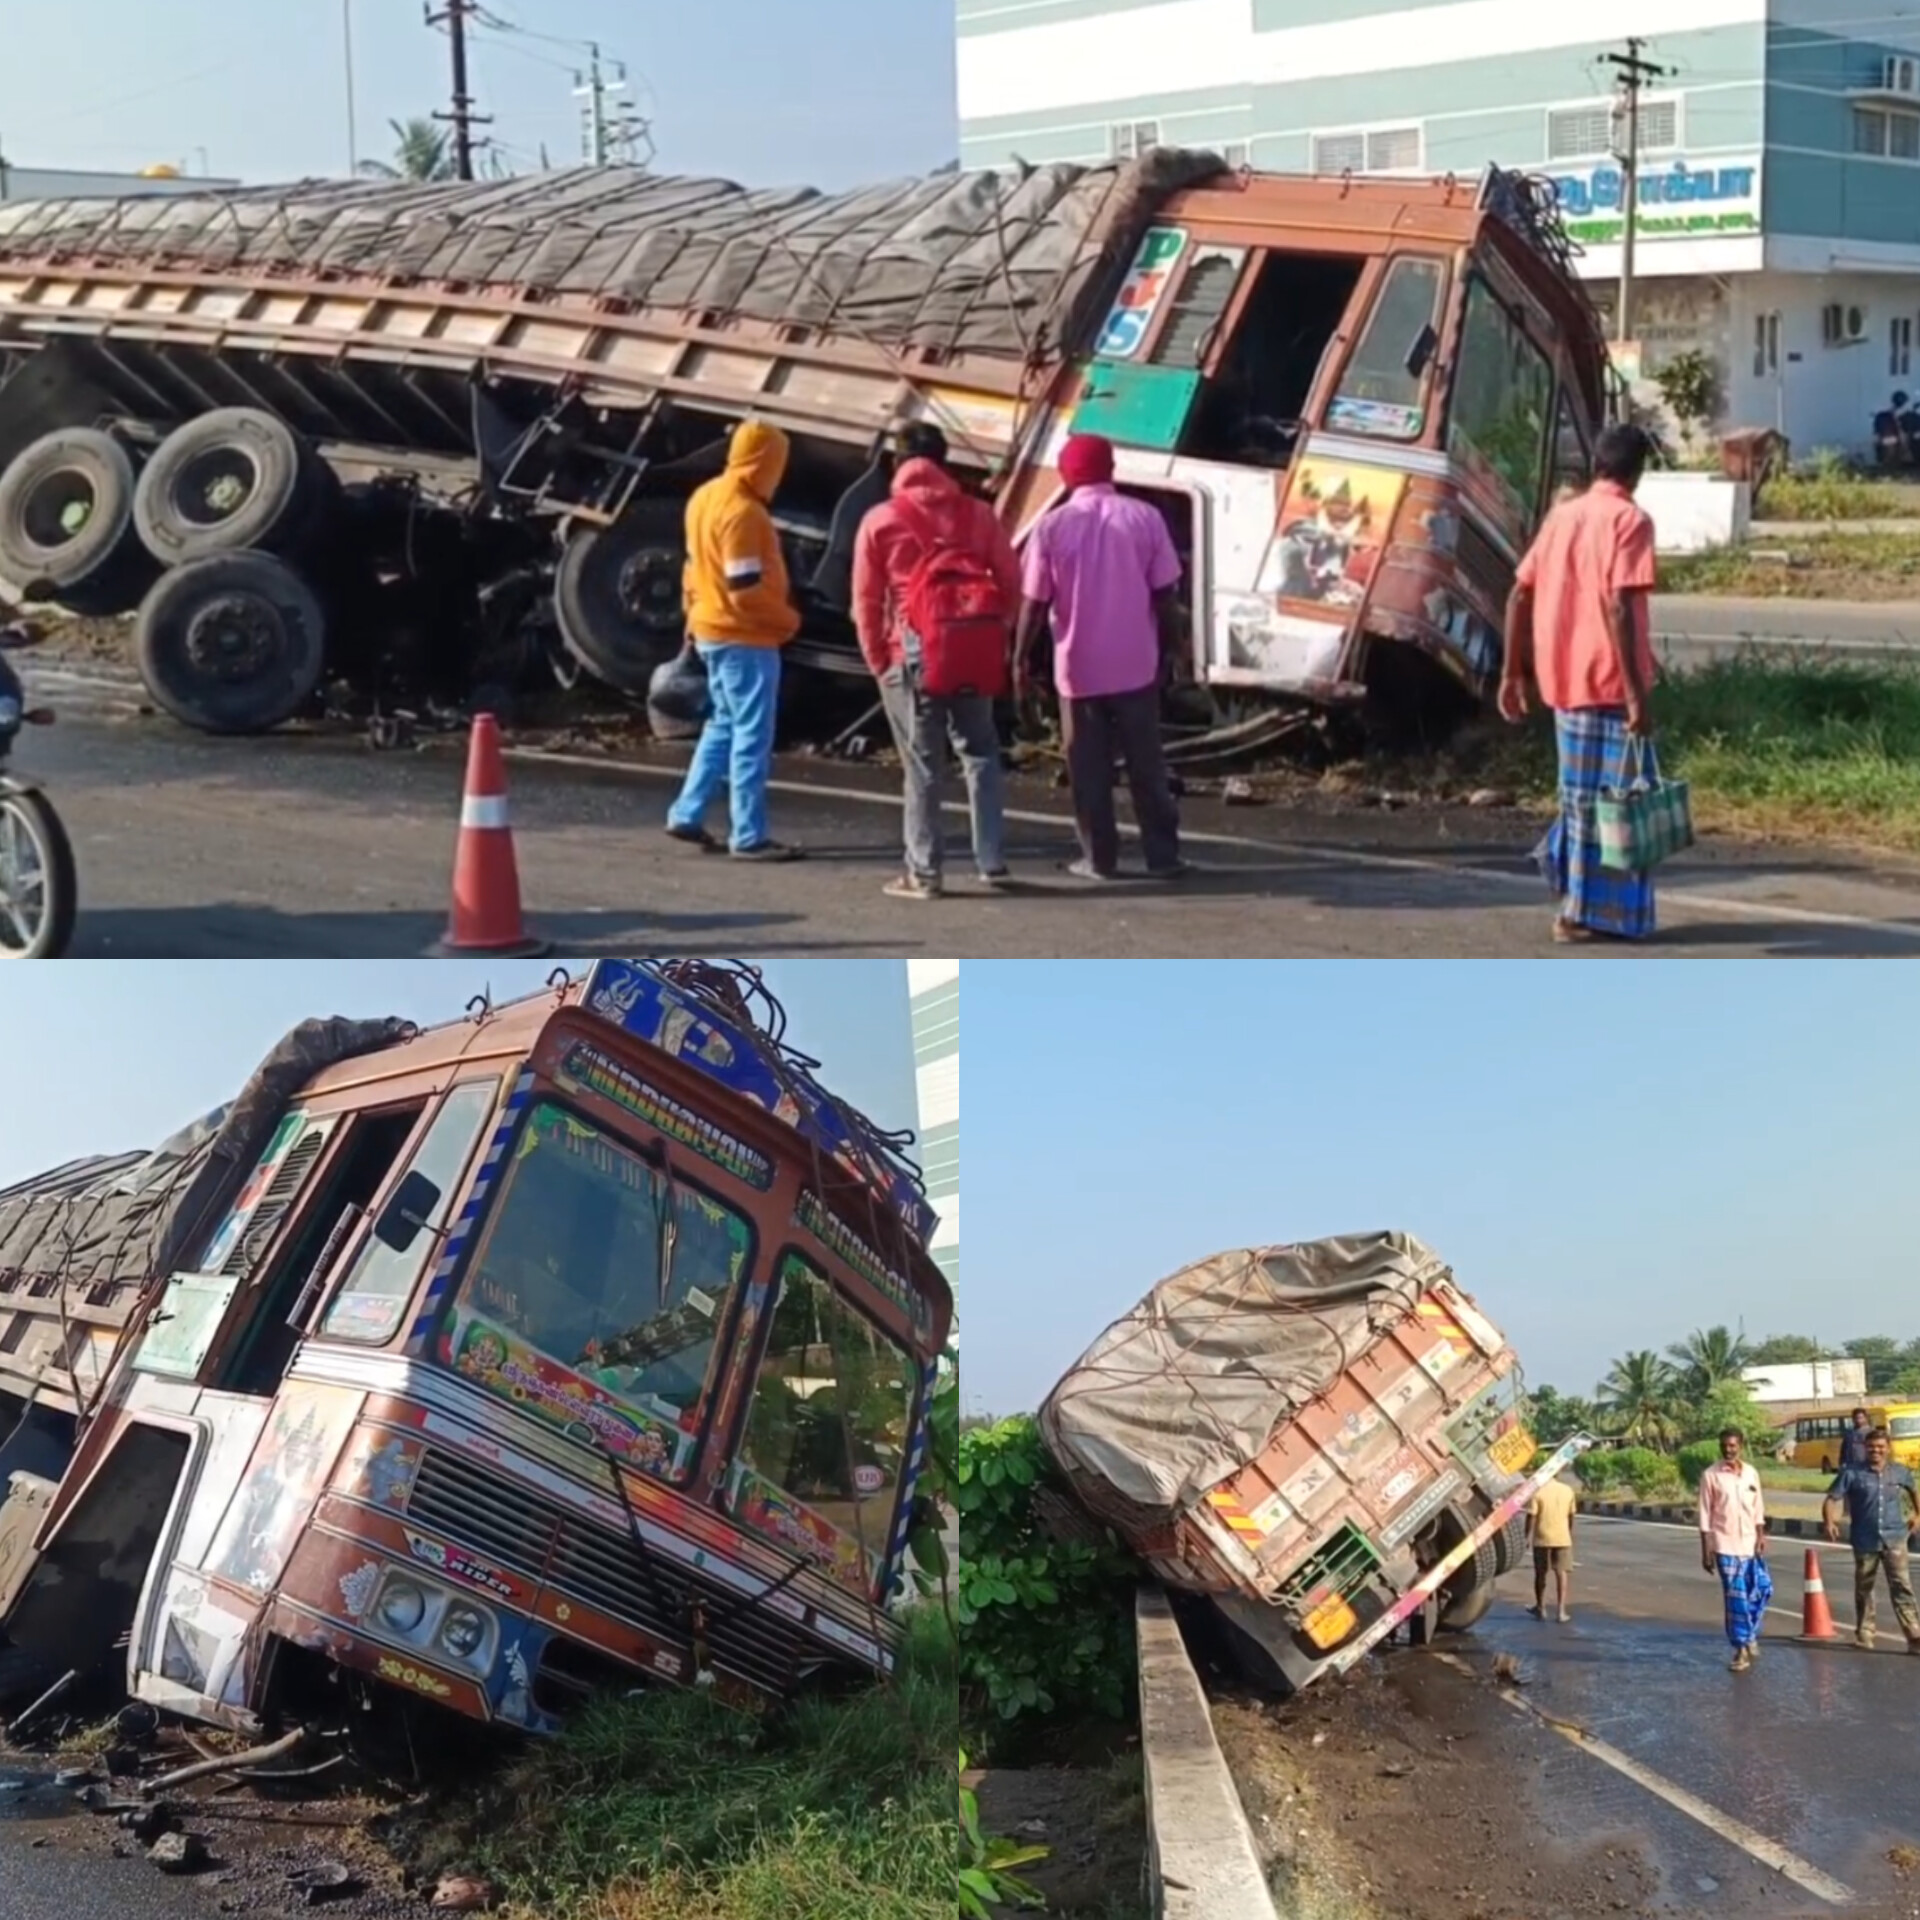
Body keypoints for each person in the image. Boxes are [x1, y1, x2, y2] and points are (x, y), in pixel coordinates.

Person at [1497, 422, 1662, 944]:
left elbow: (1518, 594)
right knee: (1619, 805)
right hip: (1611, 681)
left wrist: (1511, 672)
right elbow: (1618, 604)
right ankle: (1587, 910)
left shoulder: (1562, 518)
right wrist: (1637, 694)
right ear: (1637, 472)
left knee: (1579, 797)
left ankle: (1573, 896)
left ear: (1596, 464)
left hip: (1562, 678)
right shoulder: (1630, 520)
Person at [852, 422, 1019, 900]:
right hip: (974, 649)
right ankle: (991, 861)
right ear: (945, 462)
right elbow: (1010, 581)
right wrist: (992, 635)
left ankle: (924, 872)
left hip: (913, 654)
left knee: (923, 765)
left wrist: (878, 658)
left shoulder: (881, 520)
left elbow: (866, 598)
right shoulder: (980, 515)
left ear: (896, 464)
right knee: (981, 753)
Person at [1013, 432, 1189, 882]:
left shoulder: (1051, 527)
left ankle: (1099, 859)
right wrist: (1177, 650)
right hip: (1136, 666)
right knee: (1147, 764)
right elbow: (1165, 597)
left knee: (1088, 772)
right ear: (1110, 469)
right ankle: (1163, 856)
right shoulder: (1145, 518)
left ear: (1068, 474)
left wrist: (1018, 660)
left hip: (1078, 671)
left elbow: (1033, 603)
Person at [665, 420, 804, 862]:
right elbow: (744, 588)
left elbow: (692, 567)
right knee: (751, 735)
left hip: (710, 628)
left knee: (722, 725)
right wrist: (787, 621)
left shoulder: (706, 495)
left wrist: (692, 614)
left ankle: (686, 812)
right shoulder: (745, 513)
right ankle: (748, 835)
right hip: (745, 636)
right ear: (766, 463)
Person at [1822, 1425, 1920, 1651]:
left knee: (1902, 1587)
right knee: (1865, 1587)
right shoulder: (1852, 1472)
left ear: (1888, 1448)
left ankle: (1914, 1636)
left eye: (1880, 1447)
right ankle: (1865, 1634)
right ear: (1865, 1448)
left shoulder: (1899, 1472)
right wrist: (1829, 1522)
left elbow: (1913, 1491)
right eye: (1871, 1447)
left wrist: (1917, 1515)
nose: (1875, 1451)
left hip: (1895, 1537)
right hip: (1864, 1539)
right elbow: (1832, 1498)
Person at [1697, 1427, 1770, 1673]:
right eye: (1724, 1445)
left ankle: (1749, 1635)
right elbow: (1705, 1514)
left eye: (1733, 1445)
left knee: (1759, 1591)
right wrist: (1706, 1549)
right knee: (1735, 1598)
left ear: (1740, 1445)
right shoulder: (1711, 1475)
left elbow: (1758, 1507)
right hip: (1725, 1545)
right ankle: (1740, 1648)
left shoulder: (1751, 1473)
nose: (1729, 1450)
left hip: (1750, 1544)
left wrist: (1761, 1536)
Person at [1526, 1470, 1577, 1622]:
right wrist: (1568, 1532)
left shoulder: (1538, 1492)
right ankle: (1561, 1612)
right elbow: (1571, 1515)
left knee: (1541, 1574)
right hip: (1562, 1538)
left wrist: (1527, 1536)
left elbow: (1531, 1516)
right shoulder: (1567, 1490)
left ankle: (1541, 1608)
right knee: (1561, 1573)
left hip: (1542, 1539)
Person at [1838, 1406, 1874, 1473]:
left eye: (1860, 1418)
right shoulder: (1849, 1433)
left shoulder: (1871, 1433)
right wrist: (1841, 1463)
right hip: (1850, 1465)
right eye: (1856, 1418)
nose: (1858, 1420)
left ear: (1866, 1418)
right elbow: (1843, 1450)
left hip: (1865, 1466)